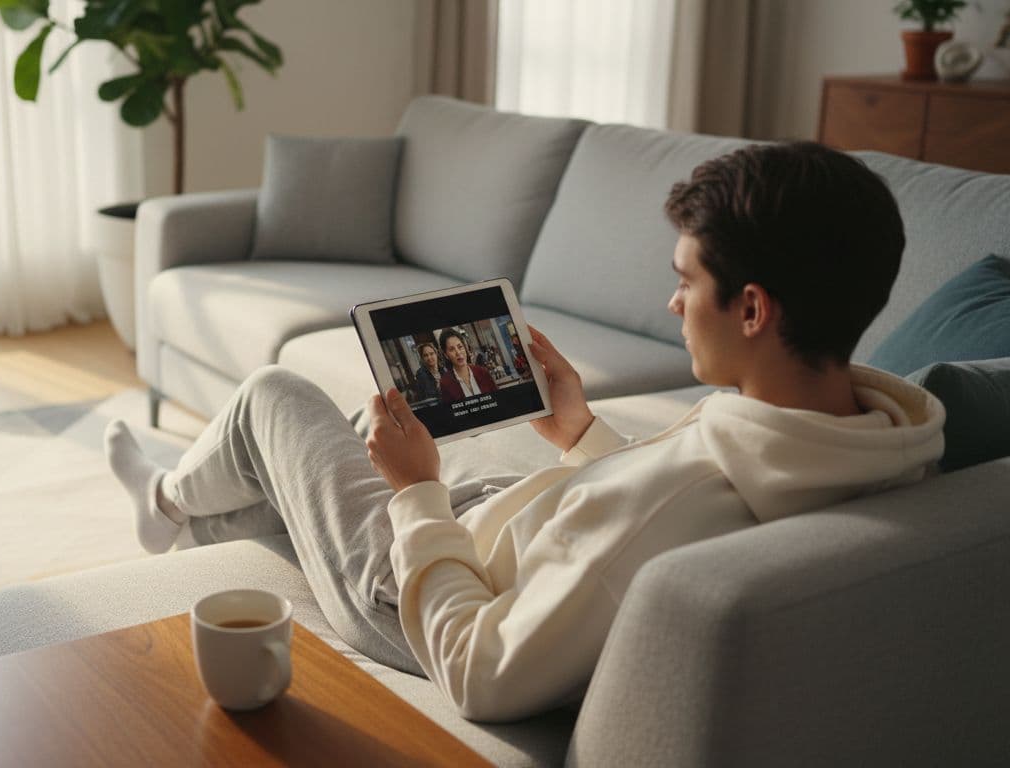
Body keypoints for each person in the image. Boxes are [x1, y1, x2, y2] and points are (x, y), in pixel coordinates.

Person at [103, 141, 944, 722]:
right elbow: (649, 509)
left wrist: (418, 494)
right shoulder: (874, 432)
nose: (672, 304)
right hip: (506, 535)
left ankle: (168, 501)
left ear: (753, 308)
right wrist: (579, 432)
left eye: (686, 282)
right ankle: (195, 519)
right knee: (357, 458)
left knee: (274, 399)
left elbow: (476, 668)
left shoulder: (674, 508)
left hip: (419, 606)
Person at [436, 328, 498, 401]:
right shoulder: (445, 383)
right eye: (452, 349)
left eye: (460, 347)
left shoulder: (483, 372)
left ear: (465, 348)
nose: (458, 352)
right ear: (446, 355)